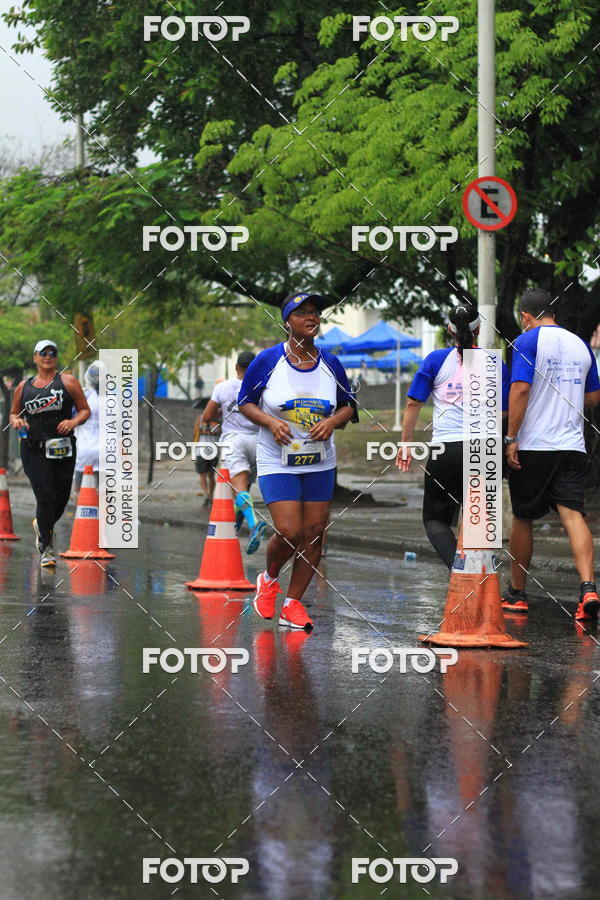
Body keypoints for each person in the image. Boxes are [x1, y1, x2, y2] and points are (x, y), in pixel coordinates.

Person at [238, 292, 357, 630]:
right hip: (278, 460)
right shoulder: (267, 360)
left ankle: (292, 604)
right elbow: (245, 402)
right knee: (289, 531)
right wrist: (270, 422)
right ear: (287, 321)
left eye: (315, 312)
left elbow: (348, 406)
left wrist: (332, 422)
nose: (311, 317)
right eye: (302, 312)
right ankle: (268, 579)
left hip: (320, 461)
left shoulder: (331, 363)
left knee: (315, 534)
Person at [504, 287, 600, 620]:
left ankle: (517, 594)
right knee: (573, 515)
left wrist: (511, 437)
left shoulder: (526, 341)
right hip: (572, 446)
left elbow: (520, 389)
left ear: (525, 316)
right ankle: (588, 589)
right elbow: (593, 397)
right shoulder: (580, 344)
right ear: (552, 313)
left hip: (535, 445)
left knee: (523, 517)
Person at [396, 305, 509, 569]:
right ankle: (480, 579)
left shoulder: (436, 360)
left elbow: (413, 403)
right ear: (478, 330)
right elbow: (504, 411)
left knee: (436, 519)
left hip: (446, 449)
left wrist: (406, 444)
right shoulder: (495, 363)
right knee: (480, 521)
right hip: (487, 450)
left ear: (450, 330)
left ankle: (459, 569)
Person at [10, 340, 90, 567]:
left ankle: (42, 525)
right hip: (33, 449)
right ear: (35, 357)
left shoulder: (68, 382)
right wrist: (17, 421)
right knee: (45, 496)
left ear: (56, 357)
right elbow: (14, 414)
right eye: (43, 353)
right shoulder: (24, 387)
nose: (48, 356)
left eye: (52, 353)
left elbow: (85, 410)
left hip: (62, 448)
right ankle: (47, 548)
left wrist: (73, 421)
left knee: (61, 500)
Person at [201, 351, 267, 554]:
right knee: (243, 490)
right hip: (259, 441)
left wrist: (220, 418)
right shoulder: (262, 387)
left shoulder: (223, 387)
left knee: (238, 489)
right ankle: (234, 532)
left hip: (233, 441)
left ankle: (254, 524)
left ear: (237, 367)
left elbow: (207, 416)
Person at [73, 361, 101, 493]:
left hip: (84, 449)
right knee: (103, 490)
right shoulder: (113, 399)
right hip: (106, 451)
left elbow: (73, 418)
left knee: (80, 489)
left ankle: (80, 500)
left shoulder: (83, 395)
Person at [192, 408, 217, 505]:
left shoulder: (217, 419)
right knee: (202, 474)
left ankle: (211, 495)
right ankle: (206, 494)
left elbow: (217, 430)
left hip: (214, 451)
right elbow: (197, 429)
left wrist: (210, 425)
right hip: (200, 451)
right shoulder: (200, 418)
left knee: (211, 475)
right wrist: (203, 425)